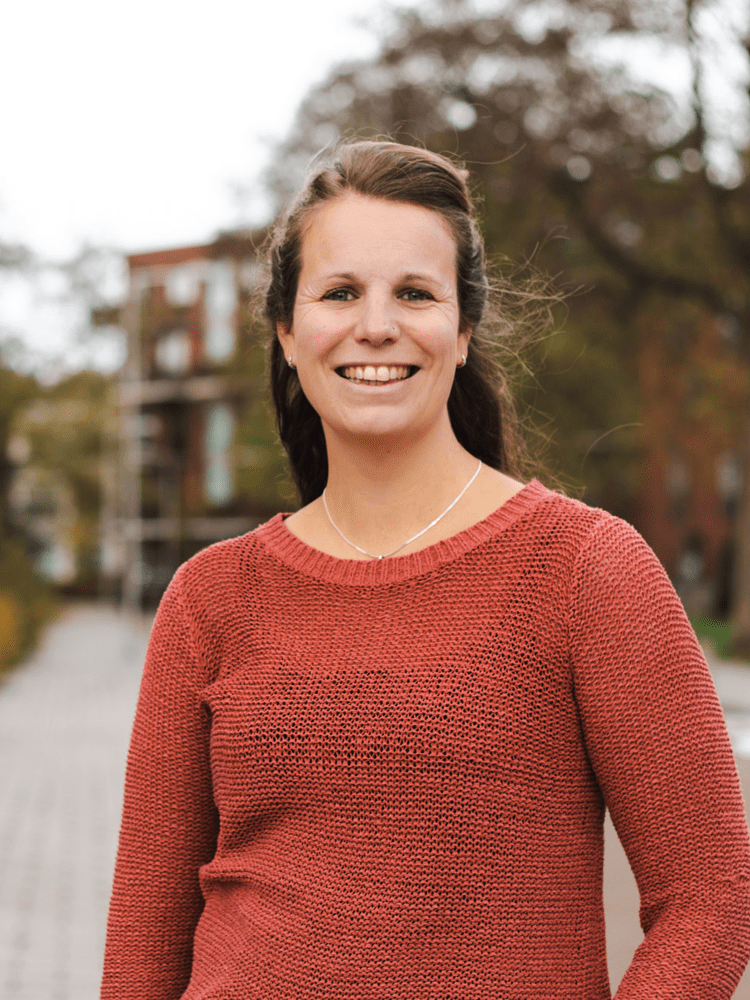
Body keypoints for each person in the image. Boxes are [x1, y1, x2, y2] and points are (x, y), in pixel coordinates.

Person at [101, 139, 750, 999]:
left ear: (462, 327)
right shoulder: (211, 598)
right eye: (340, 293)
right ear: (289, 334)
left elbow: (711, 894)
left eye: (414, 292)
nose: (377, 325)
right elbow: (145, 935)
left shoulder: (586, 569)